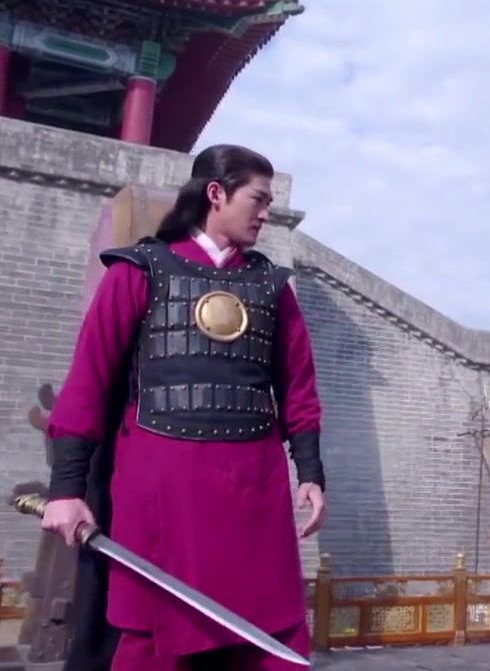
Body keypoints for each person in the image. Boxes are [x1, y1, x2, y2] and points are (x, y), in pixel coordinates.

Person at [40, 144, 328, 671]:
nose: (266, 213)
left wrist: (309, 471)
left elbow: (298, 387)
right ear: (216, 193)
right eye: (258, 199)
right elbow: (88, 384)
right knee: (155, 637)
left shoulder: (271, 287)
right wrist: (65, 490)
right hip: (161, 493)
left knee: (268, 628)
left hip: (254, 493)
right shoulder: (138, 271)